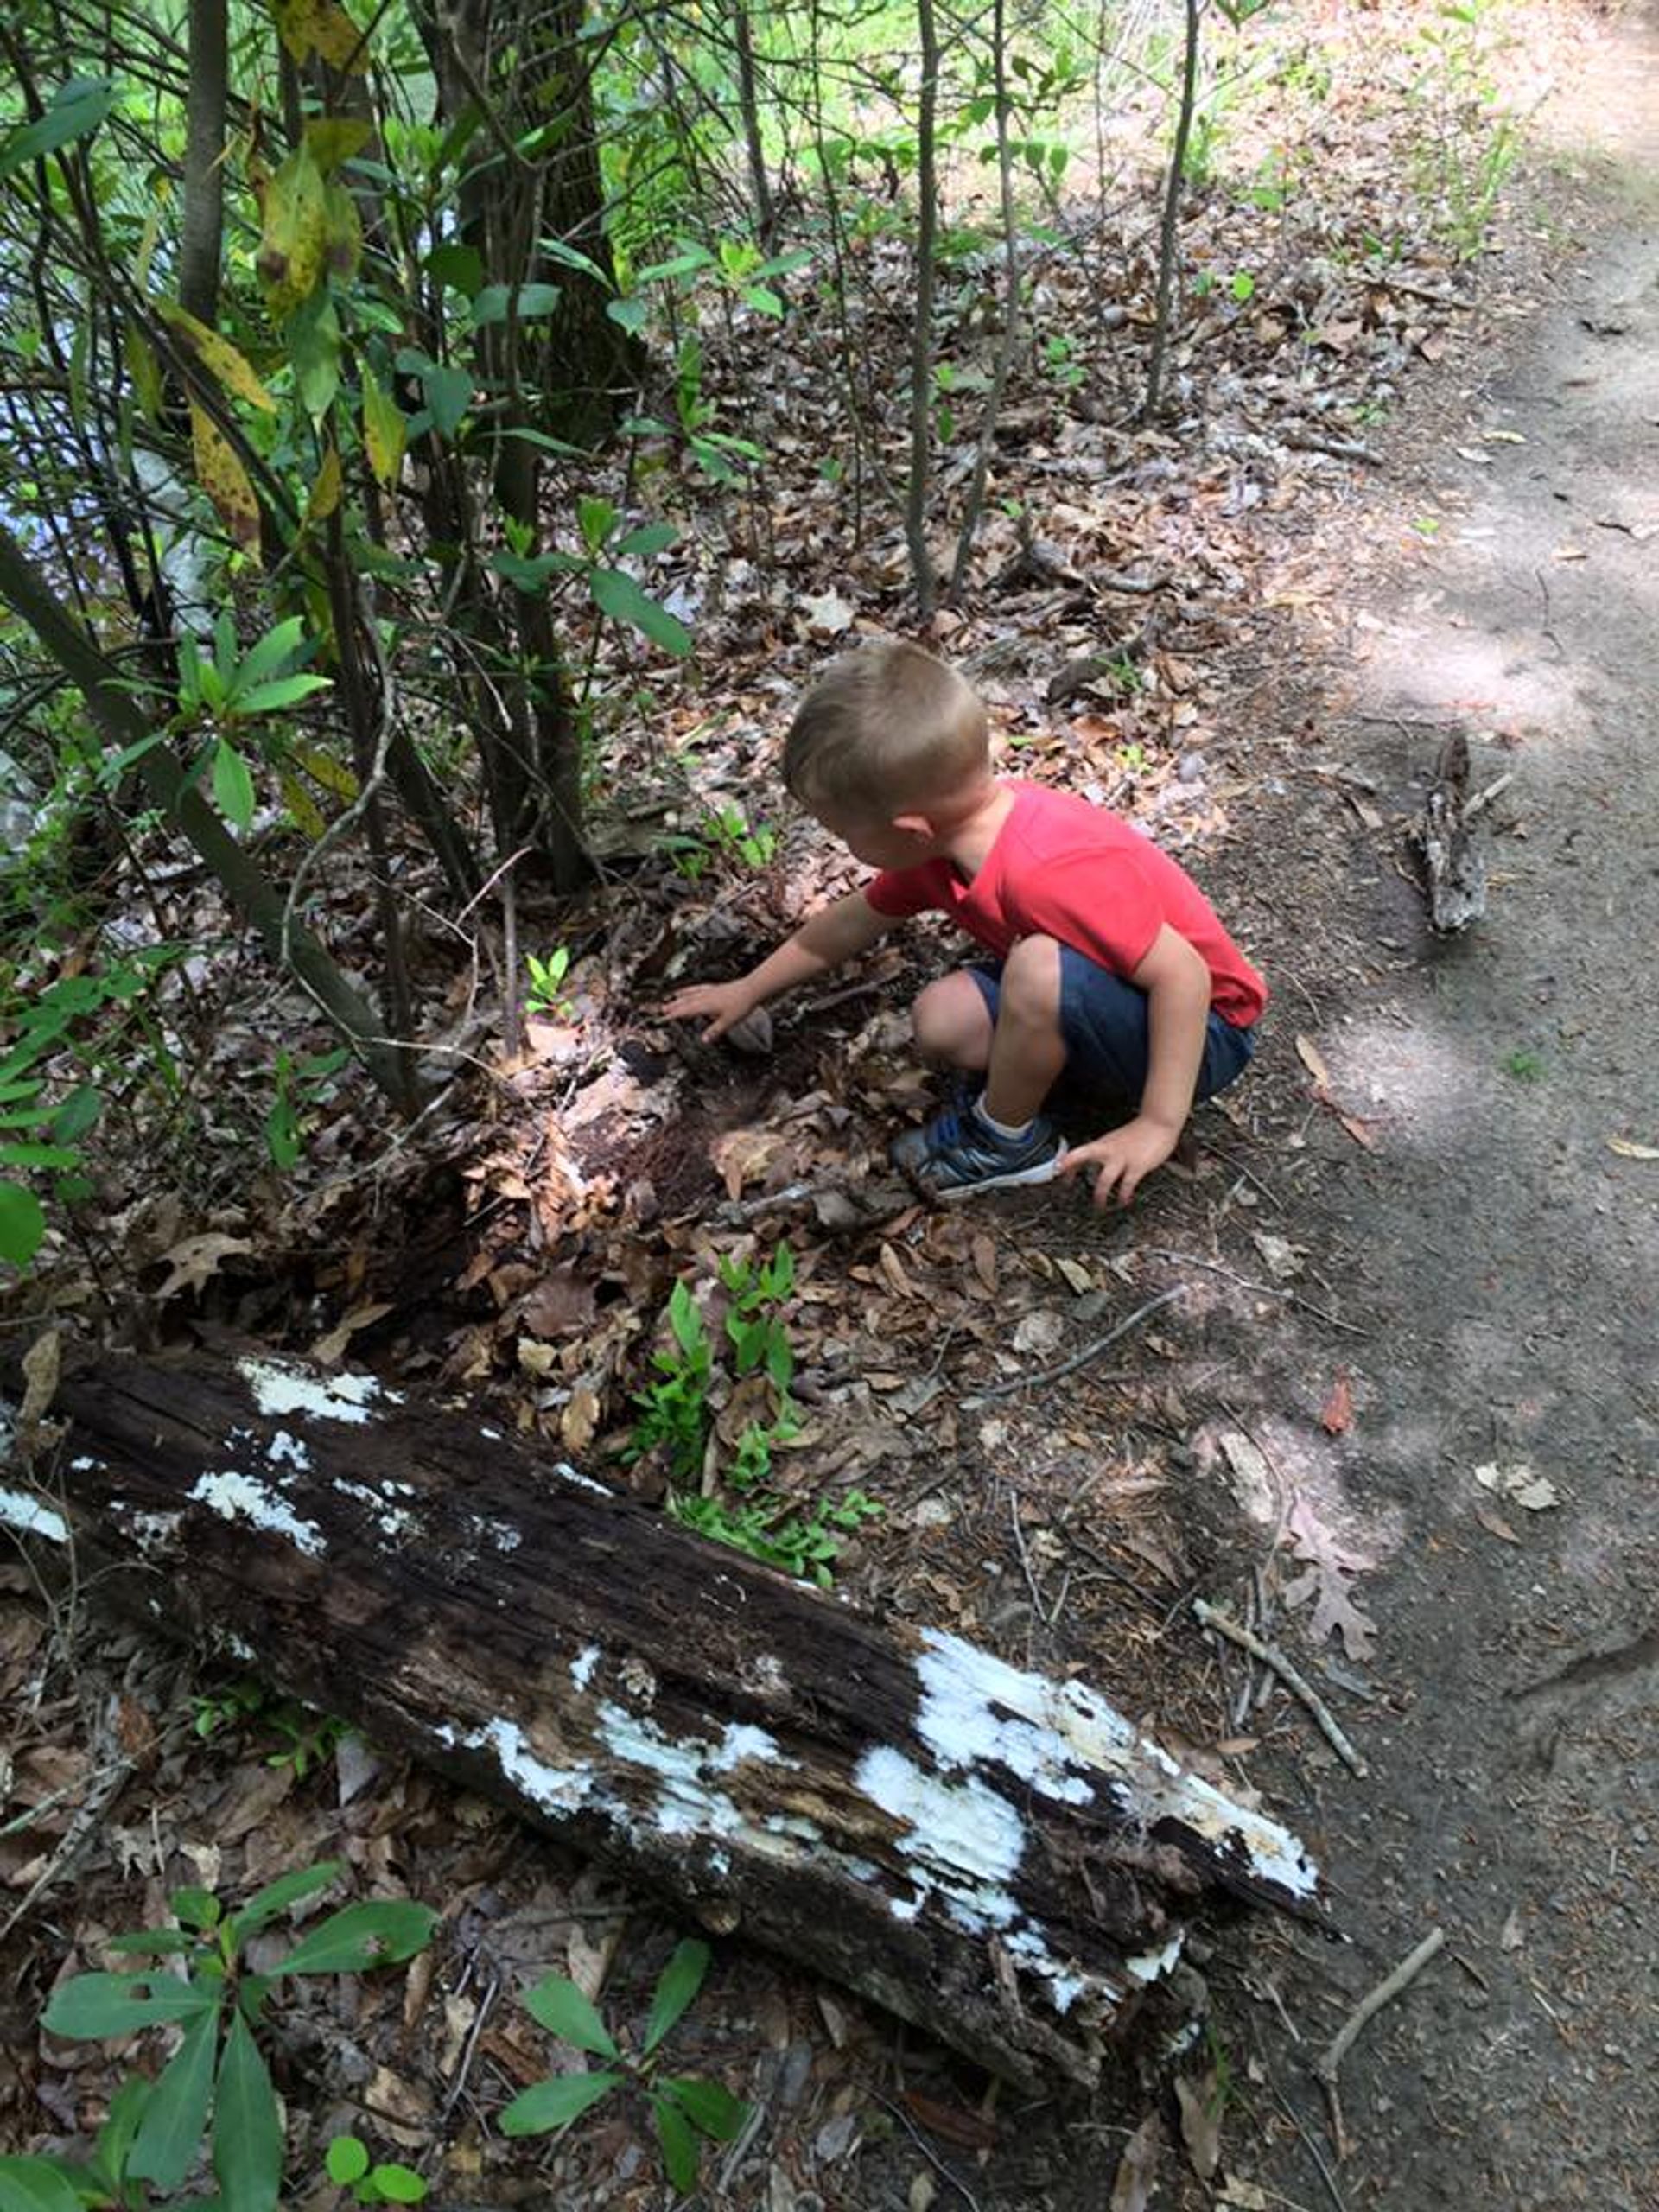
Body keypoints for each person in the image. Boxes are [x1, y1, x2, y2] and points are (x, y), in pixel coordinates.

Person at [664, 639, 1266, 1205]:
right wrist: (747, 990)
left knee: (1034, 965)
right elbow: (850, 924)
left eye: (843, 834)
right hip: (1119, 999)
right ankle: (1042, 1085)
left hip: (1208, 1031)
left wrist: (1159, 1124)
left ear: (909, 830)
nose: (841, 846)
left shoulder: (1044, 868)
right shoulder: (945, 848)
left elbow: (1185, 975)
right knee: (942, 1019)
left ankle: (1009, 1143)